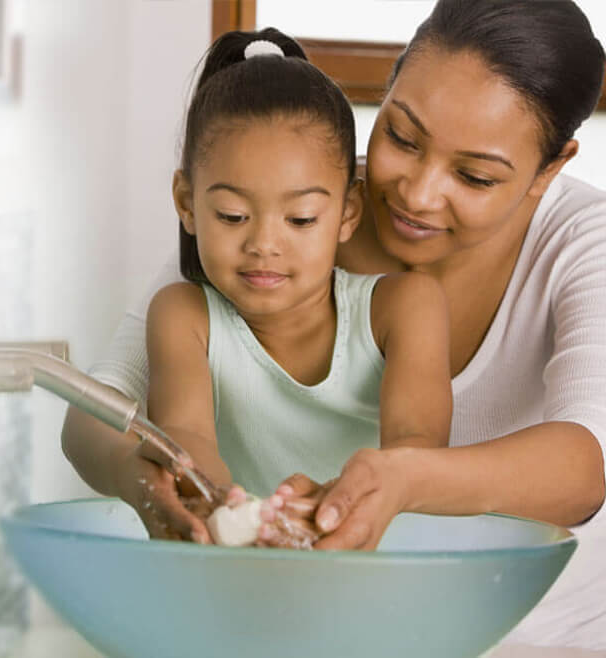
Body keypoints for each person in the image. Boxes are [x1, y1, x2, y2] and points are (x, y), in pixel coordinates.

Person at [62, 0, 606, 649]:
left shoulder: (583, 243)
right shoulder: (289, 210)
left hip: (541, 635)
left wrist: (404, 478)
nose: (418, 193)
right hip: (298, 627)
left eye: (474, 175)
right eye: (402, 137)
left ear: (551, 166)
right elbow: (97, 409)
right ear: (390, 85)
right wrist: (154, 480)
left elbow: (584, 464)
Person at [144, 29, 451, 545]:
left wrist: (333, 509)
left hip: (371, 571)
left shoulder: (404, 309)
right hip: (236, 574)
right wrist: (239, 516)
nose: (264, 243)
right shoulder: (183, 316)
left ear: (348, 212)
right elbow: (186, 436)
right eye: (233, 215)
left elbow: (415, 449)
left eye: (302, 219)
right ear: (186, 203)